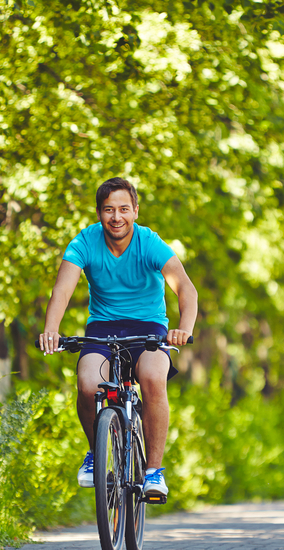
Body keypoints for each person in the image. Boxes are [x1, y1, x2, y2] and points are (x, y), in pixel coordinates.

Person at [39, 177, 198, 499]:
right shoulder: (84, 242)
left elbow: (185, 288)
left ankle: (153, 471)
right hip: (103, 329)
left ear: (135, 211)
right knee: (87, 385)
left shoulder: (150, 243)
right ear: (99, 213)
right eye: (109, 209)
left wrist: (185, 328)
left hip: (148, 327)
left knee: (153, 378)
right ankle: (96, 454)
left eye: (124, 209)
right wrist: (51, 329)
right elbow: (63, 289)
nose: (117, 217)